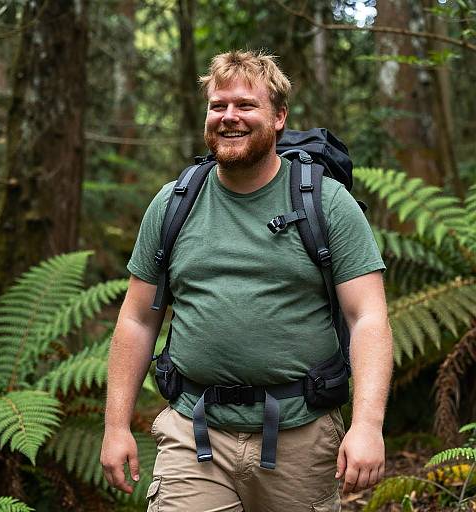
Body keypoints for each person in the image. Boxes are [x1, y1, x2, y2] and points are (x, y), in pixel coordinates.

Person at [100, 50, 393, 511]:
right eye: (218, 106)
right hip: (194, 433)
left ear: (278, 117)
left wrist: (367, 425)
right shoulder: (174, 203)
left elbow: (368, 317)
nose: (229, 117)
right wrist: (116, 426)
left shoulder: (326, 203)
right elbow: (138, 319)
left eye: (245, 105)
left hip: (302, 436)